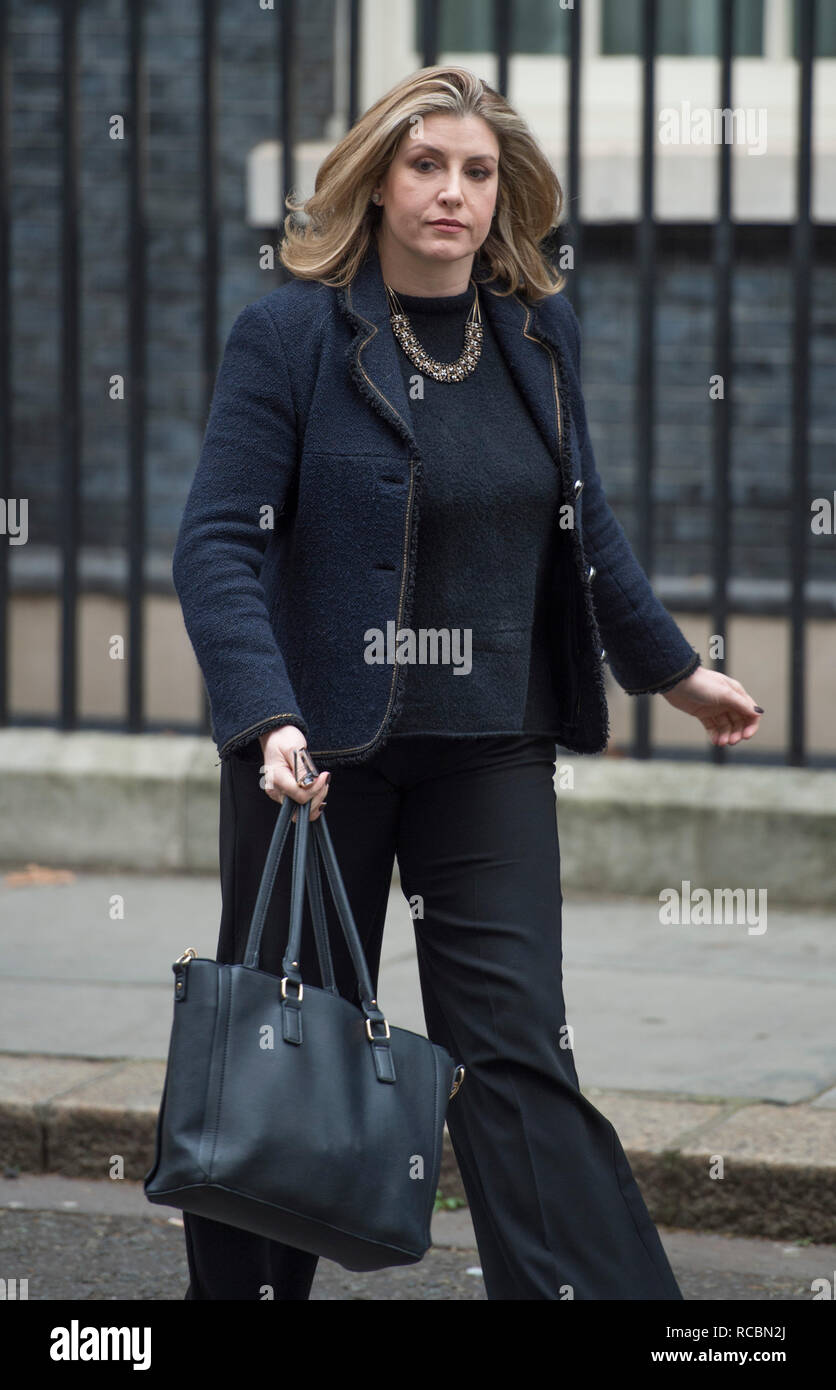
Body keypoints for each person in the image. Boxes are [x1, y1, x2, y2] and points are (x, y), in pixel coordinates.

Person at [172, 66, 763, 1301]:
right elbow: (218, 538)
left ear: (507, 192)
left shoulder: (535, 337)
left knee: (513, 1049)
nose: (452, 192)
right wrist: (263, 710)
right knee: (291, 1041)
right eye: (425, 165)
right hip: (316, 754)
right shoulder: (288, 331)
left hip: (490, 741)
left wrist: (673, 671)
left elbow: (579, 524)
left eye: (477, 171)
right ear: (377, 180)